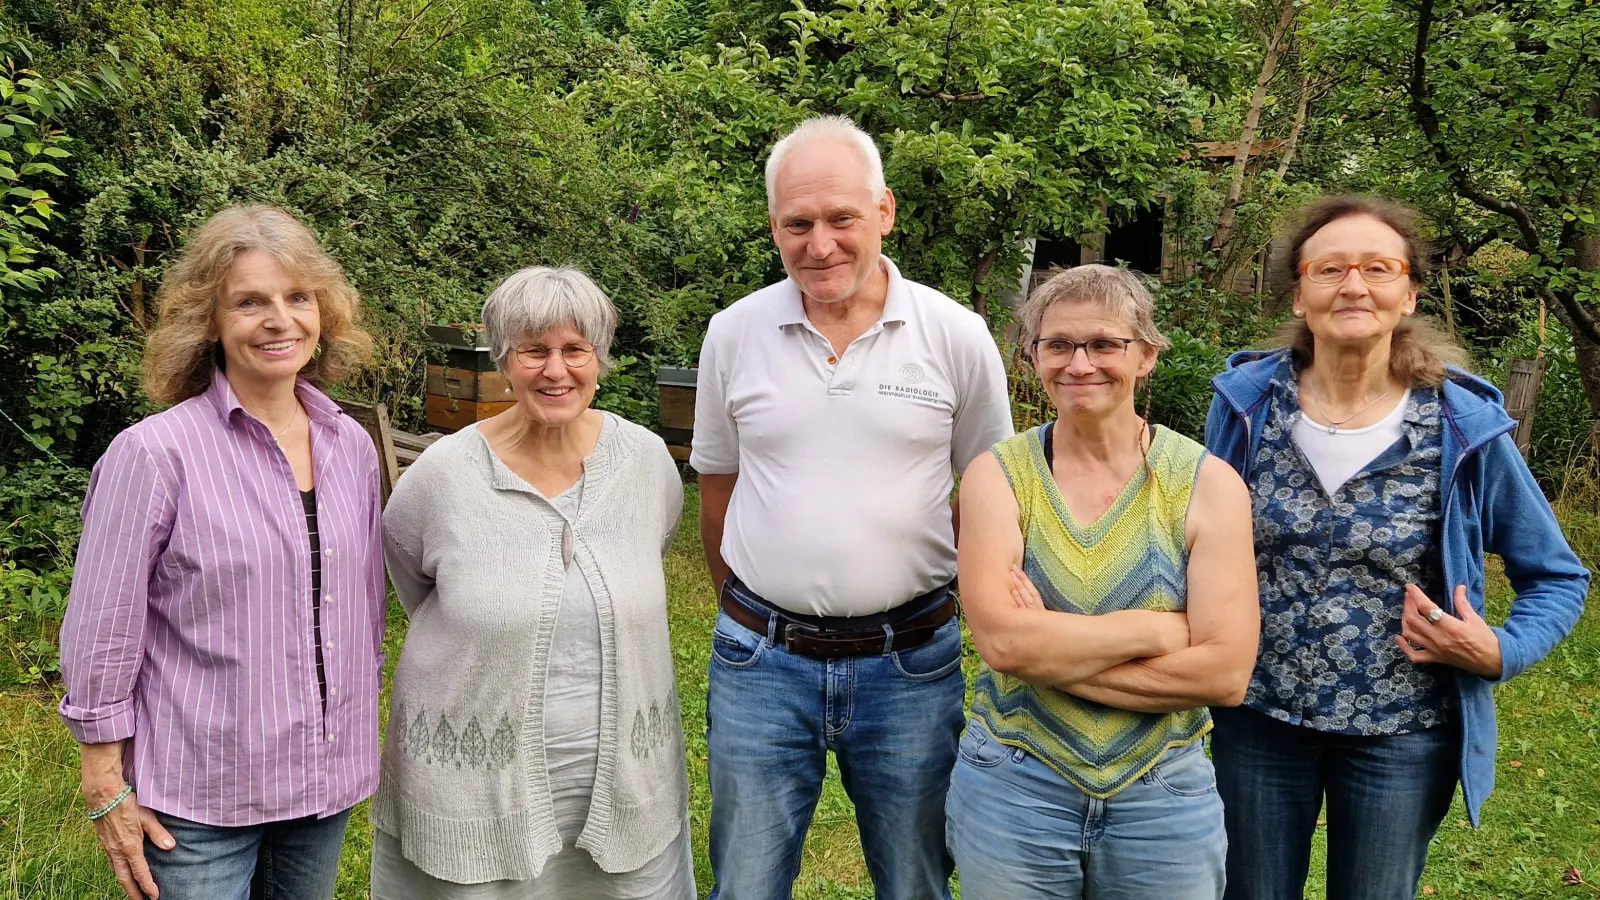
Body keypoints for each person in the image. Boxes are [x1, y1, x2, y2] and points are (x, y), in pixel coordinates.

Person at [1204, 195, 1591, 900]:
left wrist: (1502, 650)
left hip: (1403, 732)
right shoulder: (1246, 407)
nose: (1353, 285)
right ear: (1300, 290)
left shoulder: (1461, 426)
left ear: (1408, 291)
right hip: (1257, 719)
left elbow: (1557, 575)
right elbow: (1190, 541)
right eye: (1330, 269)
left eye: (1377, 268)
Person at [691, 114, 1014, 900]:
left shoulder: (956, 335)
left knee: (915, 879)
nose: (820, 243)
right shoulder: (734, 335)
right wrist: (746, 604)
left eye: (841, 218)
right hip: (760, 664)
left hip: (910, 662)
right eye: (797, 224)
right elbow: (718, 488)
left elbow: (989, 491)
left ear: (885, 212)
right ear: (774, 227)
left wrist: (976, 609)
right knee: (746, 881)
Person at [57, 204, 384, 900]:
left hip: (321, 787)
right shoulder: (154, 454)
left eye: (297, 298)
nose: (280, 320)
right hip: (200, 800)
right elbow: (103, 626)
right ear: (209, 320)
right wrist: (105, 779)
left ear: (322, 310)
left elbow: (360, 609)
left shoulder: (349, 446)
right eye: (249, 302)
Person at [370, 266, 692, 899]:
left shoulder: (646, 464)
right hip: (473, 779)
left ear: (600, 358)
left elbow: (649, 548)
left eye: (575, 349)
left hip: (625, 776)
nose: (556, 370)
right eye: (534, 351)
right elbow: (411, 579)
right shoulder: (442, 478)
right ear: (504, 360)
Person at [948, 264, 1258, 899]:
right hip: (1015, 782)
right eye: (1057, 344)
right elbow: (1003, 647)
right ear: (1034, 356)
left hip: (1163, 791)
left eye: (1104, 344)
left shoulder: (1206, 483)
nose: (1079, 363)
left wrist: (1048, 648)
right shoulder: (997, 477)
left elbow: (1224, 674)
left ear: (1145, 355)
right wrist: (1159, 629)